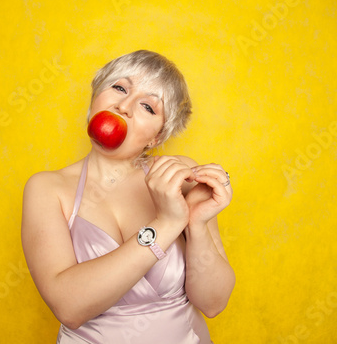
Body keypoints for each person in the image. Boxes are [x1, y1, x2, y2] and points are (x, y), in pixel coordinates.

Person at [21, 50, 235, 344]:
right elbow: (69, 307)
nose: (123, 106)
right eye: (119, 88)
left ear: (156, 137)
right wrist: (168, 223)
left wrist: (196, 225)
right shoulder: (46, 188)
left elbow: (213, 303)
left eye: (147, 106)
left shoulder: (181, 177)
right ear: (95, 100)